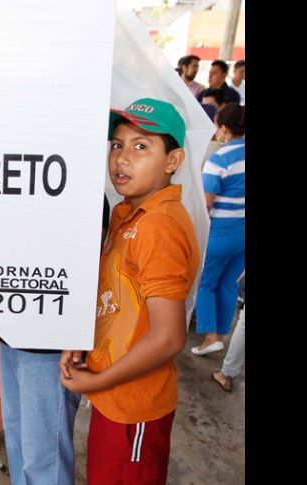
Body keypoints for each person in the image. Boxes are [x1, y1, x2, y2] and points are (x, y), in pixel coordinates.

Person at [61, 98, 199, 485]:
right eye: (117, 145)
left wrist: (97, 381)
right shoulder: (127, 211)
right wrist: (83, 339)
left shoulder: (158, 225)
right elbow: (119, 300)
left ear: (173, 160)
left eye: (142, 146)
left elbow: (169, 337)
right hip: (115, 400)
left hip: (134, 407)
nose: (123, 158)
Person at [191, 104, 245, 356]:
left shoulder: (219, 159)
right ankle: (221, 334)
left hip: (220, 233)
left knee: (205, 283)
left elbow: (207, 204)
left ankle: (210, 337)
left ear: (224, 129)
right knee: (227, 284)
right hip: (242, 233)